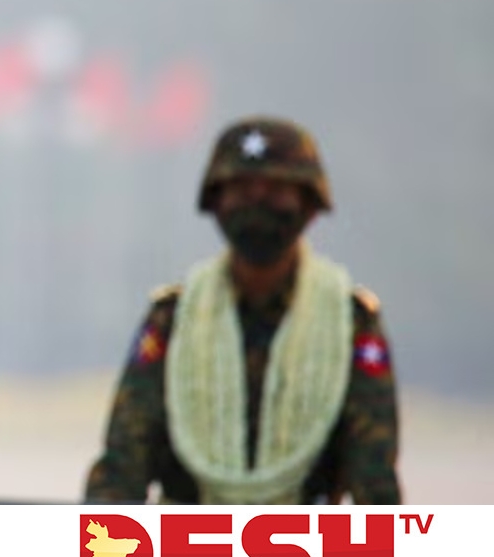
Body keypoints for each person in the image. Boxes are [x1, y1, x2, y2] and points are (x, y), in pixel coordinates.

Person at [84, 116, 401, 505]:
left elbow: (374, 478)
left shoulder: (349, 324)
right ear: (217, 203)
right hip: (186, 537)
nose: (257, 202)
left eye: (276, 191)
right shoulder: (175, 320)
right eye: (242, 191)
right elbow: (122, 466)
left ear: (309, 205)